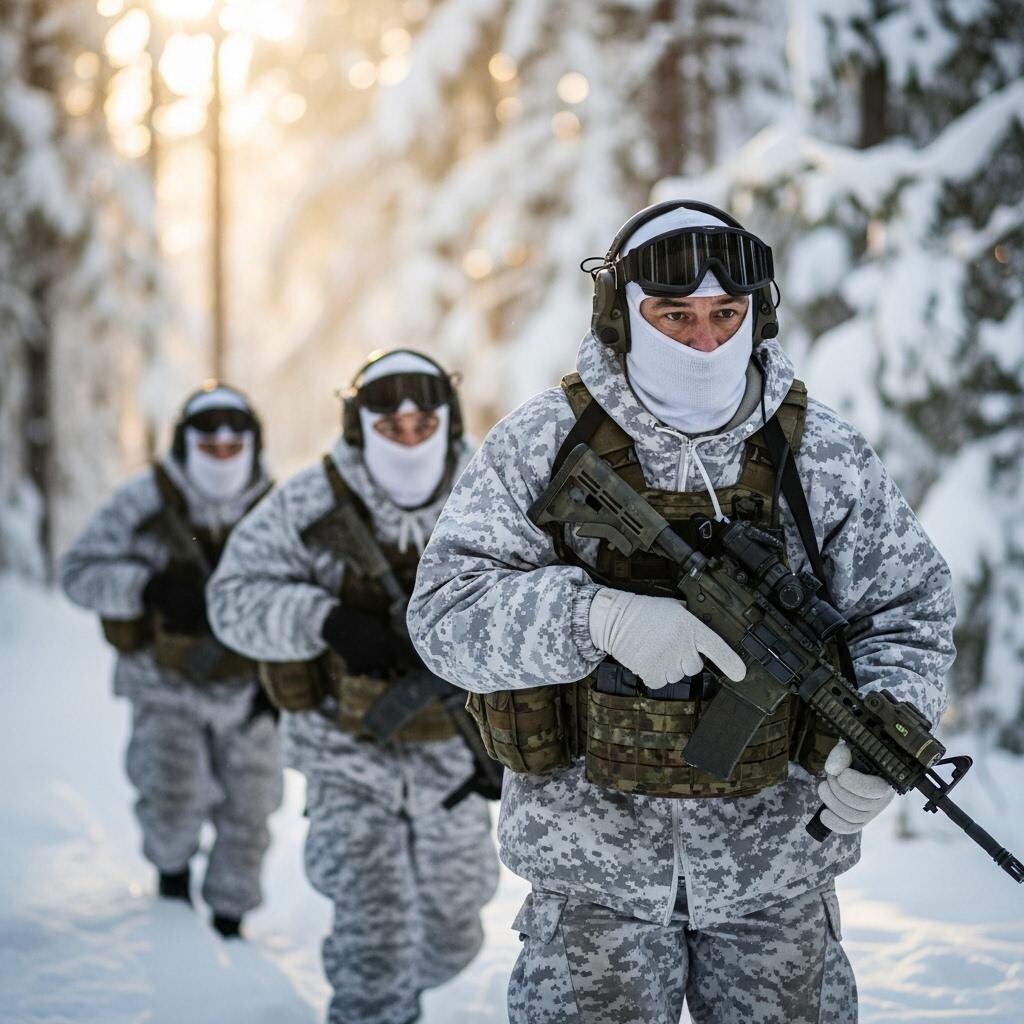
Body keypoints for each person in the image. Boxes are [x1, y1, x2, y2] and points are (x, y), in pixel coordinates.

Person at [406, 201, 956, 1023]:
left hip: (777, 878)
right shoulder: (543, 443)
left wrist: (889, 729)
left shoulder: (821, 455)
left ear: (757, 317)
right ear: (623, 316)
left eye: (725, 315)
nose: (705, 341)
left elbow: (909, 609)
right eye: (675, 316)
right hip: (590, 882)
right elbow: (446, 615)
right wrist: (597, 618)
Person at [206, 349, 500, 1024]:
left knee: (457, 927)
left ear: (448, 422)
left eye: (422, 425)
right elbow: (232, 599)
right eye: (389, 426)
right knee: (375, 930)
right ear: (357, 423)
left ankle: (399, 992)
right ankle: (379, 1004)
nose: (406, 438)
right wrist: (325, 619)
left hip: (454, 750)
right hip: (345, 751)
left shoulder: (493, 487)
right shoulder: (313, 499)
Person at [60, 383, 283, 939]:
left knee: (251, 813)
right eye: (210, 443)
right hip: (163, 684)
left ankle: (231, 927)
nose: (224, 452)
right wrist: (148, 587)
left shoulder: (279, 507)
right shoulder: (143, 500)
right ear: (186, 442)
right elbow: (78, 574)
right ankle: (172, 904)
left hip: (251, 691)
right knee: (171, 799)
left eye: (236, 444)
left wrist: (285, 678)